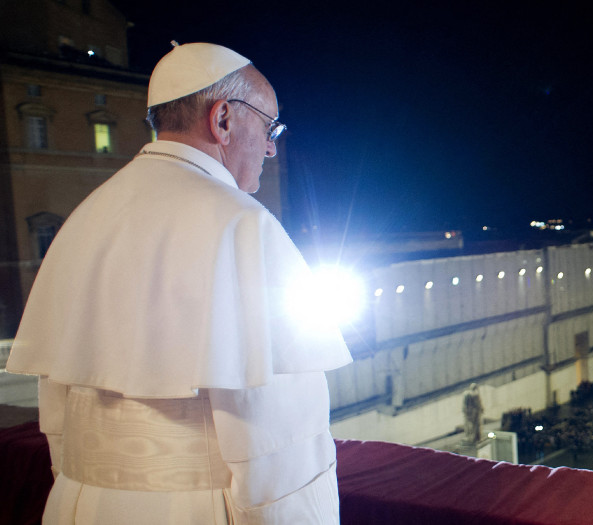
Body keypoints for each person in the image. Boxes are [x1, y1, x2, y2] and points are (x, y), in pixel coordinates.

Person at [5, 42, 352, 524]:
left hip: (78, 504)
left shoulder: (86, 215)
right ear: (223, 119)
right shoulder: (242, 224)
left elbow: (59, 420)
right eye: (269, 126)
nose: (273, 146)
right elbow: (278, 441)